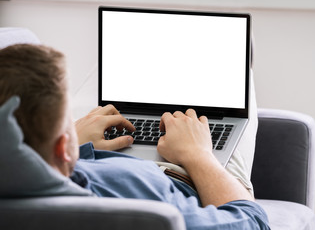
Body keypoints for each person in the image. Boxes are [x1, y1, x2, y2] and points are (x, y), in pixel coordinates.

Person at [0, 44, 269, 229]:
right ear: (61, 148)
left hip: (72, 158)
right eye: (68, 123)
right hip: (187, 173)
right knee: (242, 71)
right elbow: (253, 223)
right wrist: (198, 155)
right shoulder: (133, 194)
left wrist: (74, 147)